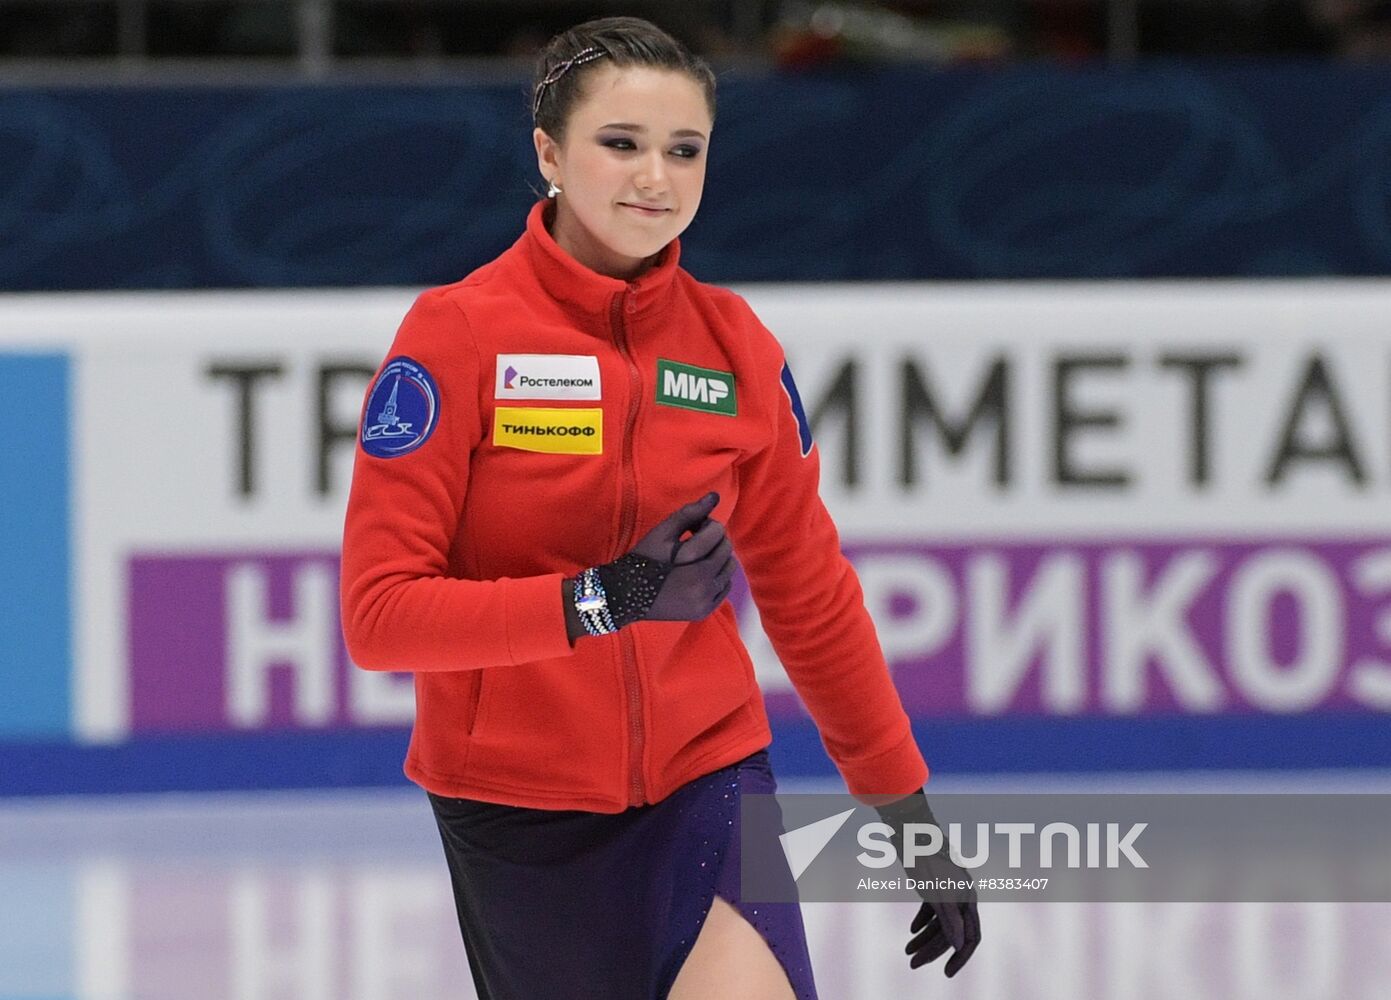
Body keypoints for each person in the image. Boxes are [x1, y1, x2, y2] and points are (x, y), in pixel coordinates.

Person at [339, 16, 980, 999]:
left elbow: (810, 597)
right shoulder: (456, 337)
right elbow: (379, 618)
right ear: (548, 153)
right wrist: (597, 599)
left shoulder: (732, 347)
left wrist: (905, 813)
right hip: (518, 813)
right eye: (621, 145)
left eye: (685, 150)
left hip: (707, 779)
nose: (656, 179)